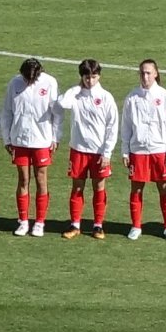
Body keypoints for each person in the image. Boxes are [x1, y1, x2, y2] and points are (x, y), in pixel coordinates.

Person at [56, 59, 119, 240]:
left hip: (99, 151)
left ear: (99, 76)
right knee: (77, 187)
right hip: (78, 149)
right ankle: (75, 224)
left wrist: (107, 152)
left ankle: (98, 225)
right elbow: (63, 104)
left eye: (93, 77)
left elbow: (112, 126)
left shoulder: (106, 97)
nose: (90, 81)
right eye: (86, 77)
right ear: (81, 77)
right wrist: (76, 88)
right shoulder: (75, 95)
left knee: (99, 187)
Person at [120, 59, 166, 241]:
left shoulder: (164, 95)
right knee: (136, 189)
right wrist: (125, 150)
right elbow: (126, 126)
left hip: (159, 149)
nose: (145, 76)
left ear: (156, 74)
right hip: (138, 150)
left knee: (164, 188)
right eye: (142, 73)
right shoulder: (132, 97)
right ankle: (136, 226)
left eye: (148, 73)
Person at [3, 58, 60, 237]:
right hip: (20, 140)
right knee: (23, 179)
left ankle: (40, 222)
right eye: (26, 79)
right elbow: (7, 112)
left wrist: (55, 137)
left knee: (41, 179)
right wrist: (7, 138)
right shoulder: (14, 83)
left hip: (42, 140)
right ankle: (23, 221)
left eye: (32, 80)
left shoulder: (49, 82)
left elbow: (57, 113)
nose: (28, 82)